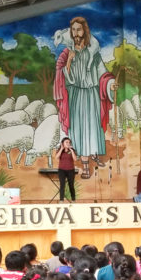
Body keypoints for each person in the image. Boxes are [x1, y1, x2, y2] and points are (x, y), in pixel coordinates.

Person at [54, 16, 117, 179]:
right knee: (79, 130)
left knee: (93, 127)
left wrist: (110, 84)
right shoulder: (67, 53)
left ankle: (94, 153)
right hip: (76, 95)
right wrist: (69, 61)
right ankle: (85, 166)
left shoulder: (93, 52)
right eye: (73, 30)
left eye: (79, 29)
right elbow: (61, 74)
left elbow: (102, 72)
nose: (76, 33)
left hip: (91, 94)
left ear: (85, 30)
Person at [52, 137, 77, 203]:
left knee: (71, 185)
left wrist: (71, 150)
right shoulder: (60, 150)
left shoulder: (72, 150)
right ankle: (61, 200)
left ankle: (73, 200)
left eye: (69, 142)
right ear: (63, 143)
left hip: (71, 170)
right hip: (62, 170)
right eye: (66, 142)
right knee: (62, 185)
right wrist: (61, 149)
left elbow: (75, 159)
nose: (68, 143)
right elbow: (56, 157)